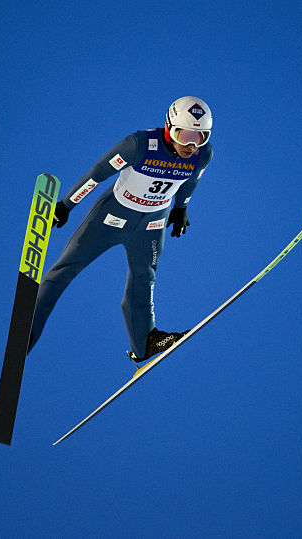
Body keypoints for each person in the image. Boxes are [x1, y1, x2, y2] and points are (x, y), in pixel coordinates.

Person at [28, 96, 214, 362]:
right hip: (111, 216)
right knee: (64, 270)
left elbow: (191, 181)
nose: (191, 145)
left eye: (200, 137)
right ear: (169, 127)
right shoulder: (138, 145)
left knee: (144, 278)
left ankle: (145, 343)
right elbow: (97, 173)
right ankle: (27, 334)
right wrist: (67, 204)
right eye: (184, 135)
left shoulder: (203, 155)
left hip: (151, 224)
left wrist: (181, 208)